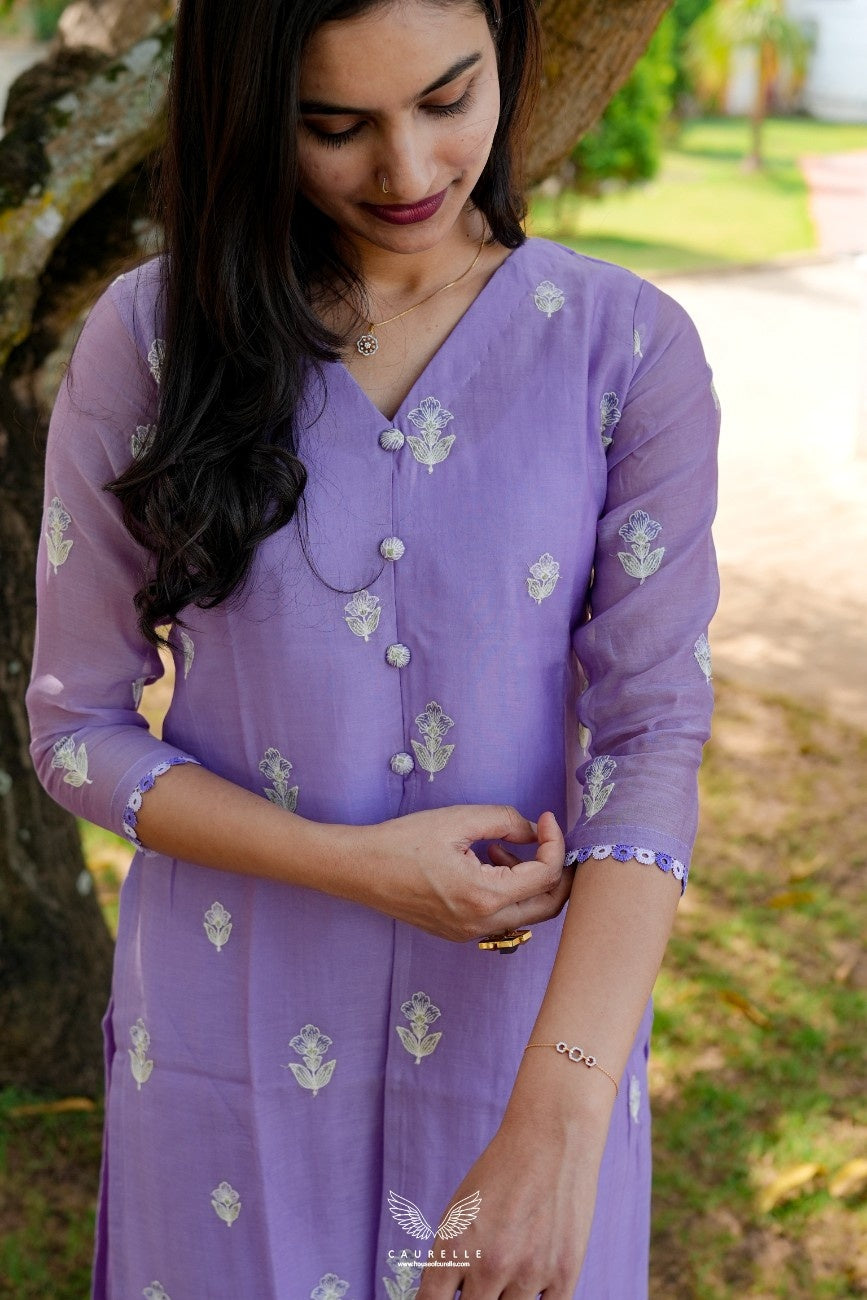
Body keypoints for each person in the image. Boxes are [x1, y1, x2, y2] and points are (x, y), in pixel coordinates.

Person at [24, 0, 720, 1296]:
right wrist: (352, 866)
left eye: (448, 99)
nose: (407, 171)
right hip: (226, 1048)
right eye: (334, 126)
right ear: (250, 112)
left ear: (507, 45)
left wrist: (560, 1118)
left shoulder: (624, 349)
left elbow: (652, 734)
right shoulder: (153, 341)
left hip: (530, 1048)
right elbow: (75, 729)